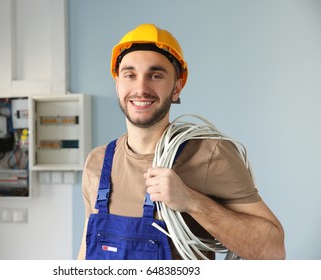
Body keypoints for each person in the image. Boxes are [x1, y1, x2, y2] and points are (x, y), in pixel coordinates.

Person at [77, 23, 285, 260]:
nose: (141, 87)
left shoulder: (209, 155)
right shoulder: (98, 161)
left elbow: (273, 251)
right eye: (130, 75)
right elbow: (86, 252)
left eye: (155, 75)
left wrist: (191, 200)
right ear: (117, 85)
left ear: (176, 88)